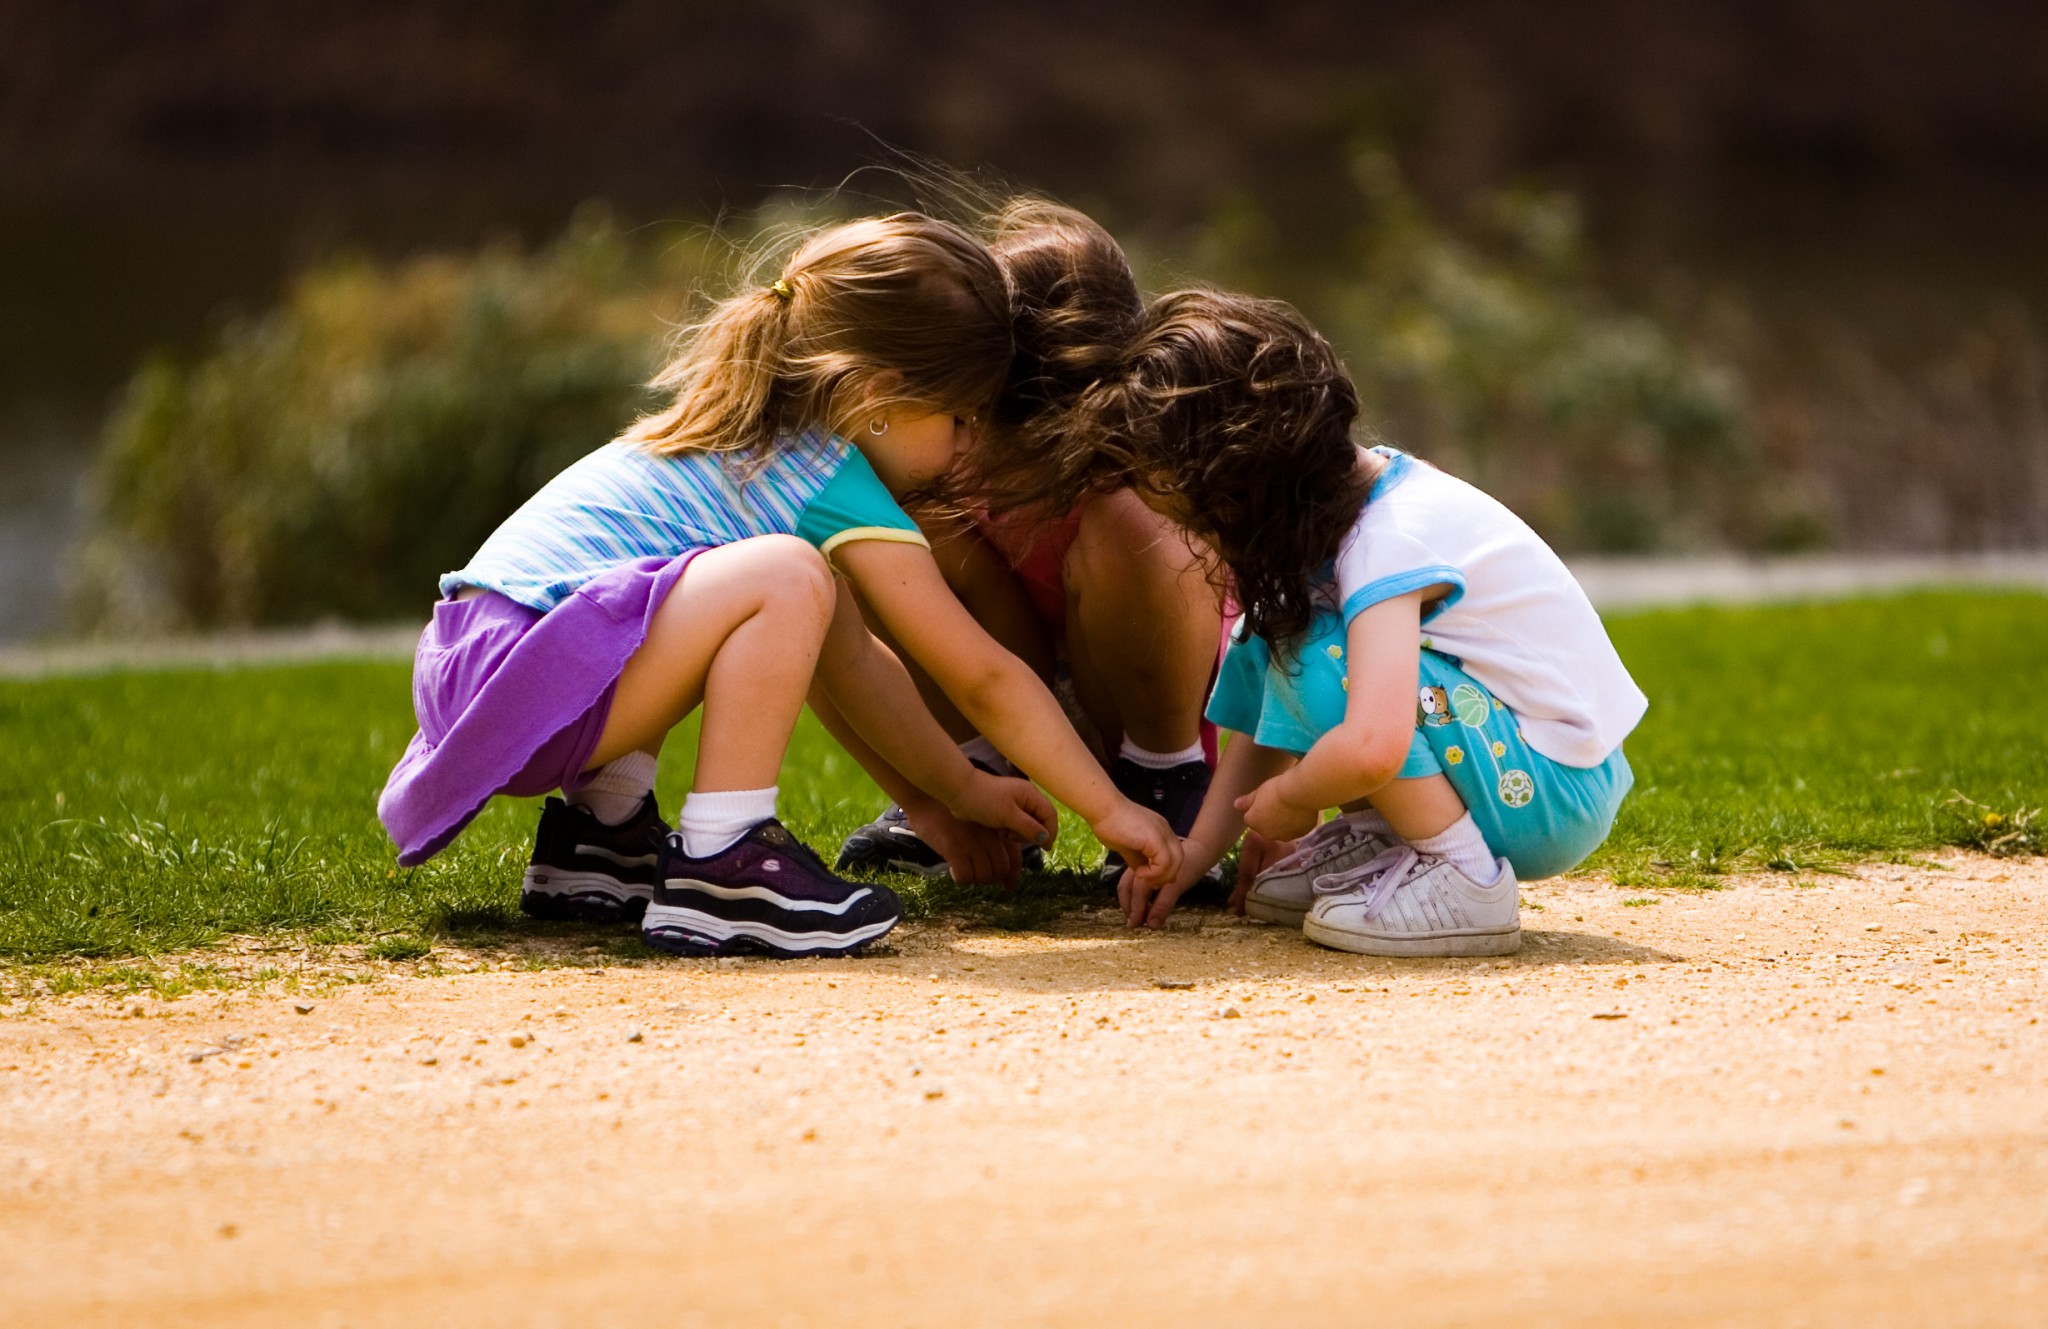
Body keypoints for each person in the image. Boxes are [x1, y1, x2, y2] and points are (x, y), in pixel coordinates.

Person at [377, 213, 1181, 959]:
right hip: (525, 676)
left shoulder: (744, 442)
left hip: (480, 659)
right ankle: (724, 861)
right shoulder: (826, 480)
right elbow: (983, 672)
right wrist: (1109, 810)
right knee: (786, 573)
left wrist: (951, 795)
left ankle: (603, 840)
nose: (968, 447)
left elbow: (855, 663)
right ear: (876, 398)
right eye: (960, 418)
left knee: (767, 580)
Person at [1093, 290, 1643, 956]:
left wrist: (1296, 795)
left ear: (1245, 481)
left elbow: (1375, 742)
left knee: (1330, 656)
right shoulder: (1341, 525)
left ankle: (1463, 877)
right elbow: (1272, 707)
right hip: (1523, 771)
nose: (1201, 537)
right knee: (1295, 634)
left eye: (1201, 513)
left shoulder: (1385, 541)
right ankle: (1396, 842)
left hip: (1555, 786)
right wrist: (1196, 850)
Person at [828, 201, 1225, 886]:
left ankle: (1167, 786)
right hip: (1011, 689)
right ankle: (978, 775)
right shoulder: (944, 454)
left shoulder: (1147, 458)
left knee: (1132, 524)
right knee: (870, 533)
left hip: (1146, 702)